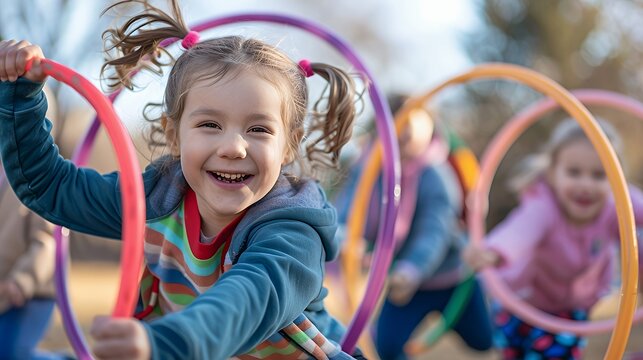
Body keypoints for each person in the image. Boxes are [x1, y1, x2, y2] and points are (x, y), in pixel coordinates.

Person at [0, 0, 365, 358]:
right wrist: (20, 98)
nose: (234, 147)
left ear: (289, 146)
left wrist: (164, 343)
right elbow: (51, 189)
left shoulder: (293, 231)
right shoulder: (157, 198)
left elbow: (246, 300)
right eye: (210, 125)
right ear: (174, 134)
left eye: (258, 128)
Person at [463, 119, 643, 359]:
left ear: (617, 179)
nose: (586, 185)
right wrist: (493, 252)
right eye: (574, 172)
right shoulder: (544, 206)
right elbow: (519, 231)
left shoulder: (619, 204)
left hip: (571, 310)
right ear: (552, 174)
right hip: (520, 301)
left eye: (599, 175)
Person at [335, 95, 493, 360]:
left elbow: (435, 229)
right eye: (397, 120)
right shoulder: (368, 170)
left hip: (452, 278)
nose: (405, 127)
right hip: (404, 285)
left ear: (430, 124)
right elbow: (347, 213)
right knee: (386, 347)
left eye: (414, 118)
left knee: (482, 341)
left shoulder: (435, 173)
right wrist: (344, 239)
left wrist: (413, 268)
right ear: (383, 128)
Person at [0, 171, 57, 360]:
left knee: (13, 354)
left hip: (32, 294)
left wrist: (21, 281)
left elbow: (47, 242)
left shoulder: (30, 178)